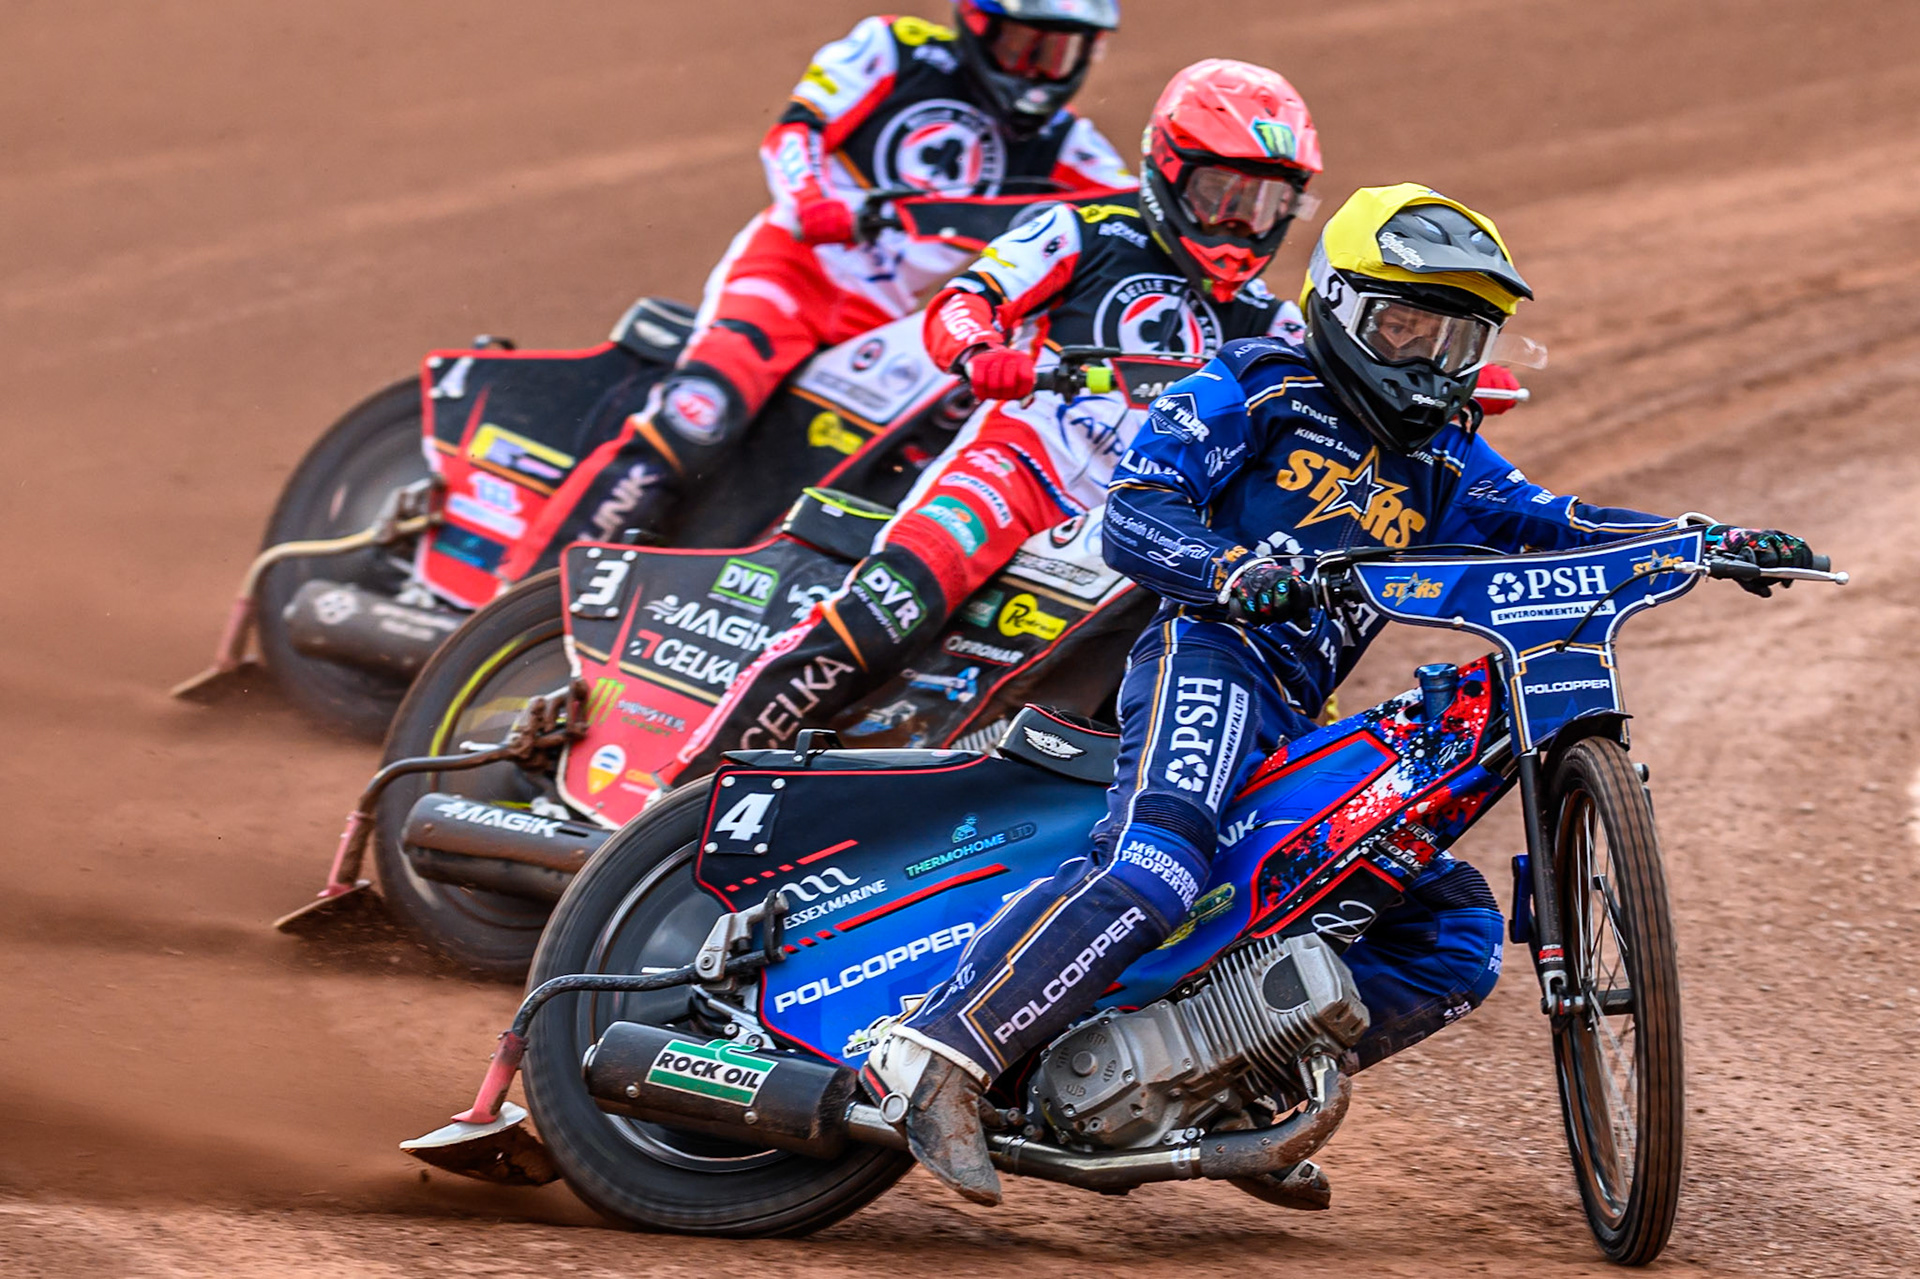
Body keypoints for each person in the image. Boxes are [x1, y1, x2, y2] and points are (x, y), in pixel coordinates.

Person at [866, 183, 1819, 1205]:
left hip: (1293, 712)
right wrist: (1230, 571)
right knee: (1154, 866)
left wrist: (1704, 540)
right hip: (1210, 655)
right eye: (1405, 326)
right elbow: (1134, 513)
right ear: (1339, 305)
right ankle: (937, 1057)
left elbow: (1564, 524)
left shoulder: (1447, 458)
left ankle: (1226, 1088)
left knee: (1450, 935)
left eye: (1455, 340)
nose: (1426, 361)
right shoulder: (1255, 382)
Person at [662, 58, 1323, 780]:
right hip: (1013, 471)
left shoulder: (1275, 329)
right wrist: (981, 351)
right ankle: (676, 791)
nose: (1238, 223)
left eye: (1261, 204)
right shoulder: (1083, 230)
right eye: (1218, 192)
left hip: (1134, 524)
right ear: (1167, 169)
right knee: (887, 611)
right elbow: (964, 300)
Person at [499, 4, 1131, 579]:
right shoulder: (896, 48)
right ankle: (510, 595)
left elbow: (1134, 218)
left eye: (1059, 54)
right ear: (977, 22)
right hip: (790, 272)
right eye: (1026, 46)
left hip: (882, 321)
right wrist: (812, 200)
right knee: (697, 417)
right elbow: (798, 128)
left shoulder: (1065, 146)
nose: (1038, 71)